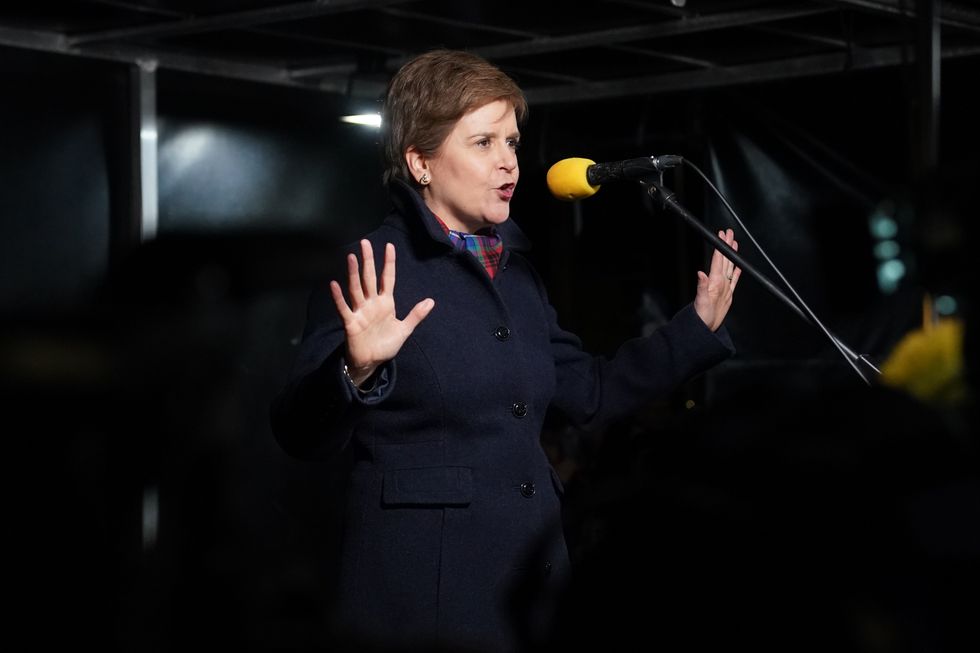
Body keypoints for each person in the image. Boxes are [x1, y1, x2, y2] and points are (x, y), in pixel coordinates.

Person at [270, 48, 741, 652]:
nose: (508, 163)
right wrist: (354, 368)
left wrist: (694, 331)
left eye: (513, 142)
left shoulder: (514, 272)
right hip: (426, 597)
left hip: (531, 580)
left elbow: (588, 394)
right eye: (483, 143)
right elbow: (297, 434)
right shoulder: (375, 265)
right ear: (420, 162)